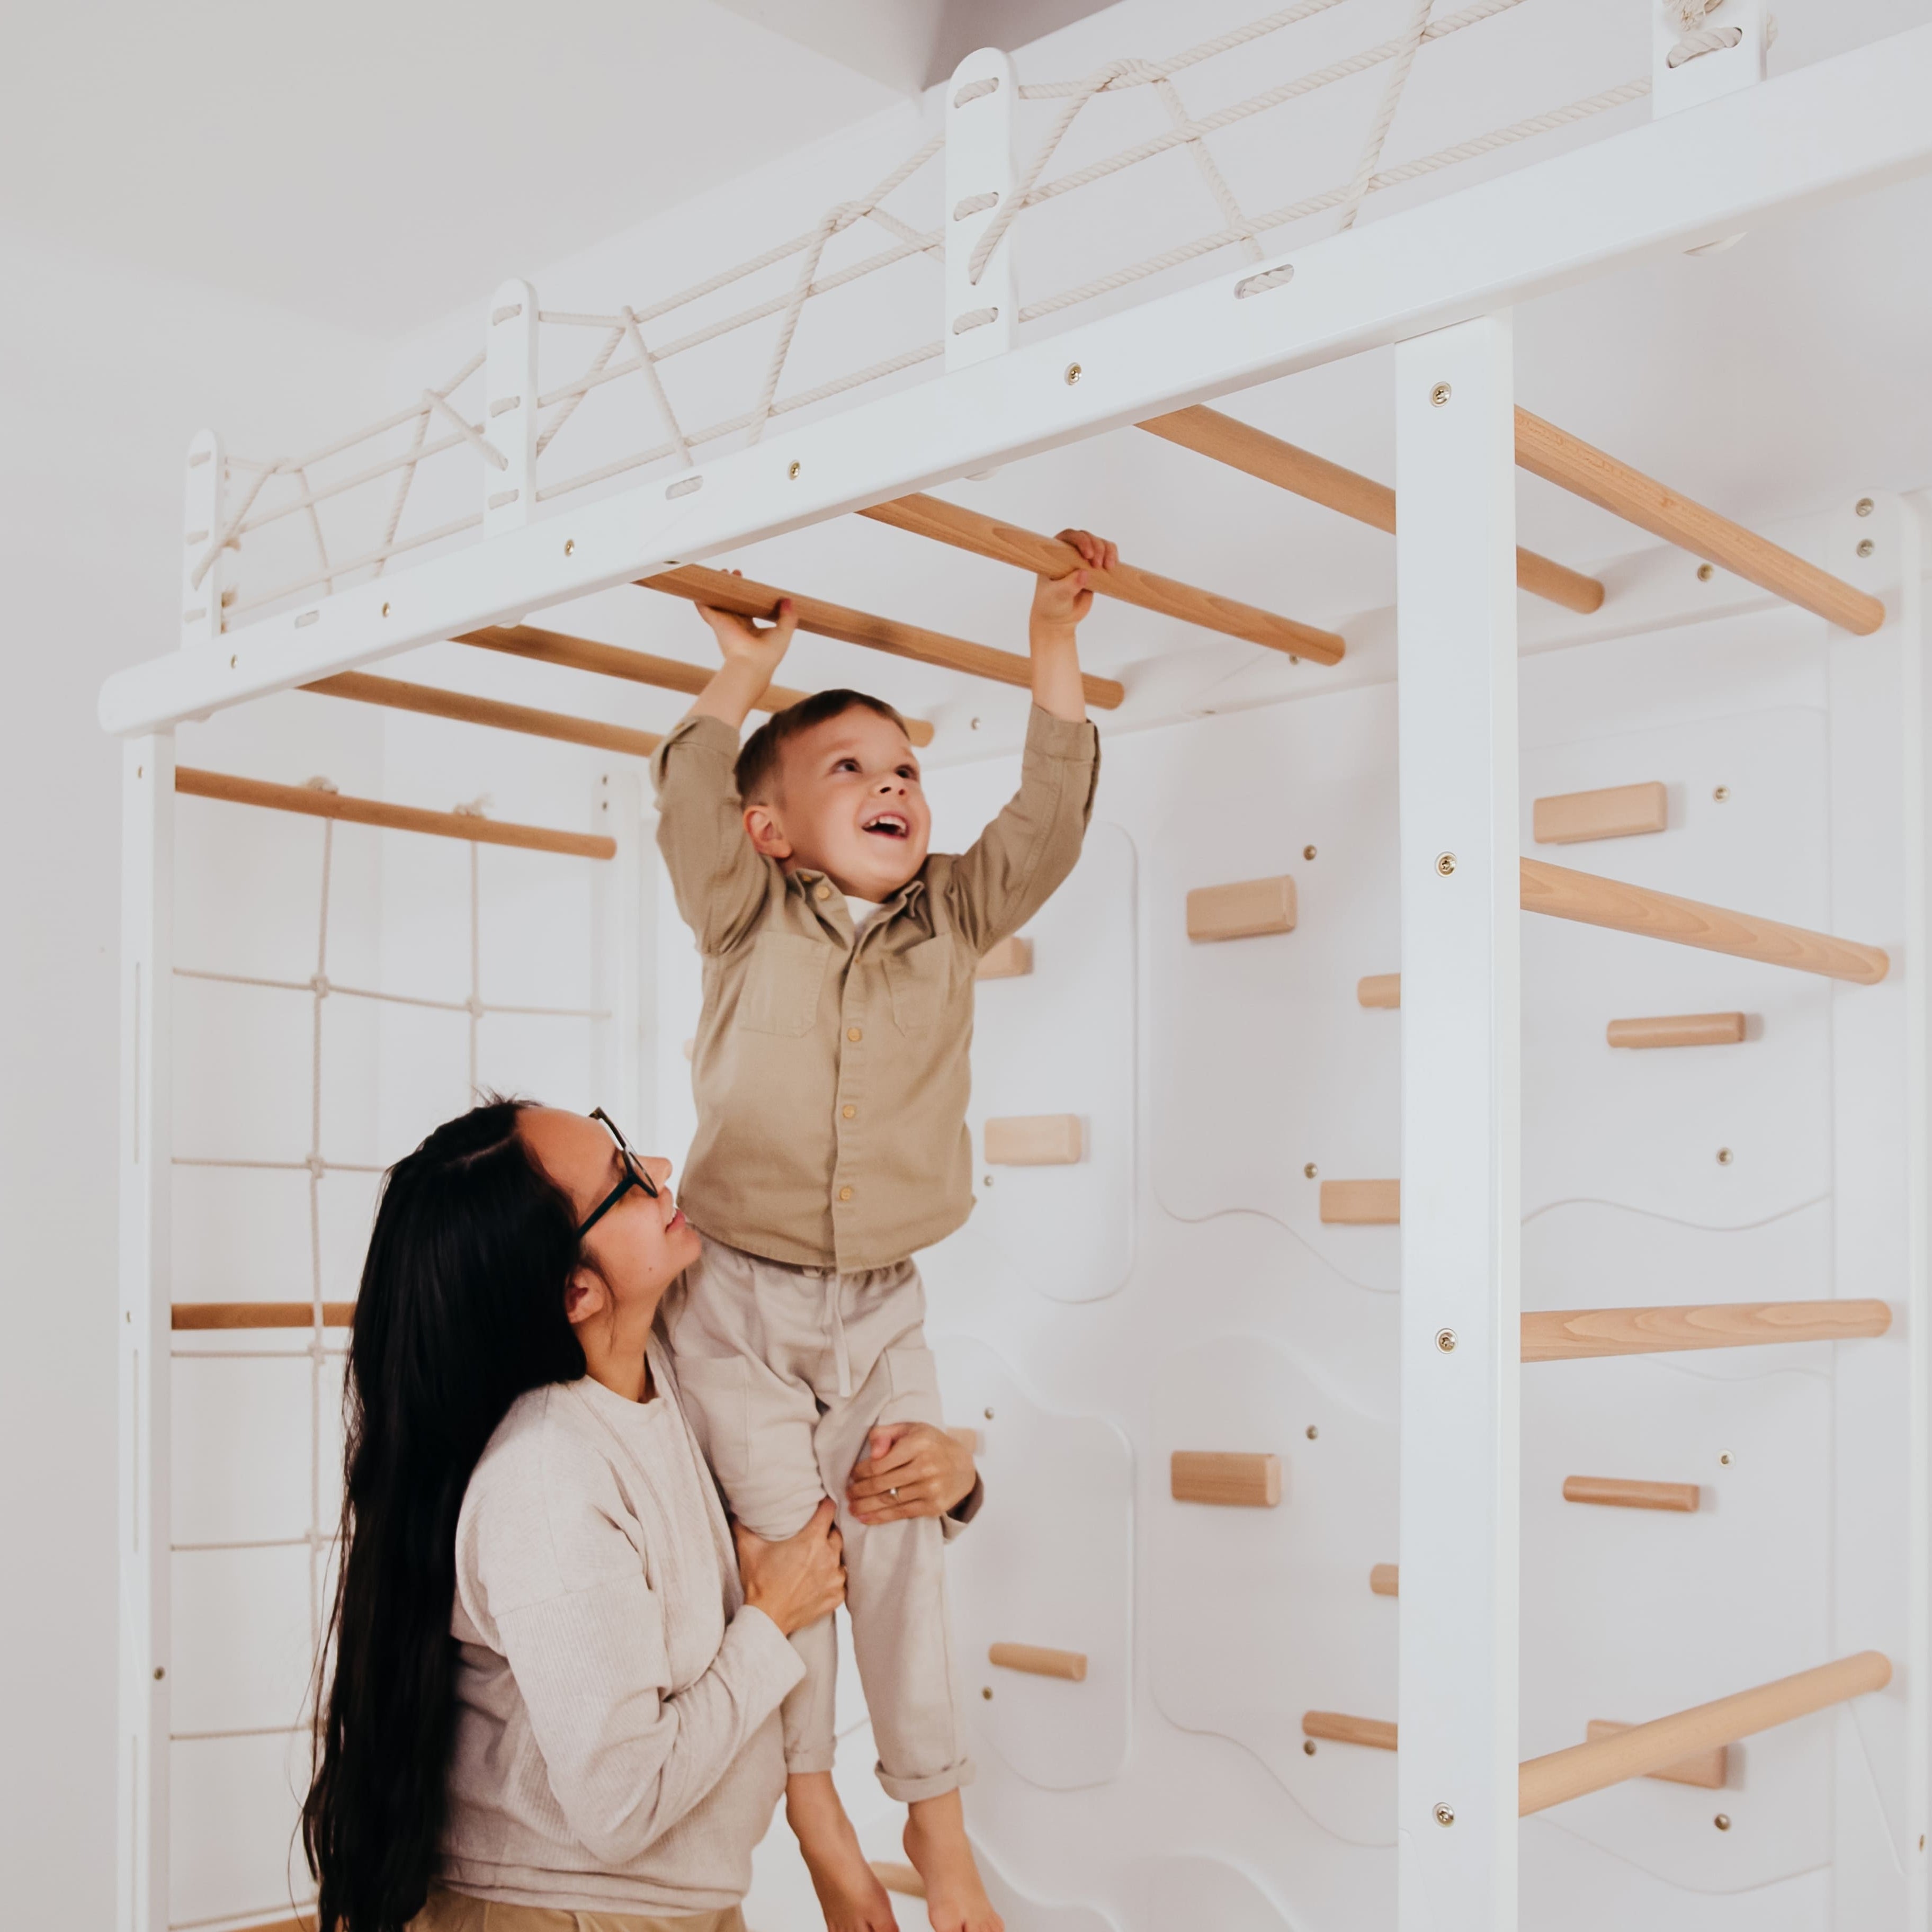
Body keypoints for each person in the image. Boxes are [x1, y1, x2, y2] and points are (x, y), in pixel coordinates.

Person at [651, 531, 1112, 1932]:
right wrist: (741, 678)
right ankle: (812, 1807)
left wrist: (1051, 636)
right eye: (846, 767)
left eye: (906, 765)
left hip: (884, 1306)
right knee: (788, 1551)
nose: (891, 782)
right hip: (733, 1299)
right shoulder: (742, 916)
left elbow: (1049, 812)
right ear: (774, 828)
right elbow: (687, 805)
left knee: (904, 1522)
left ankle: (935, 1815)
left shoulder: (954, 916)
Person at [300, 1099, 979, 1932]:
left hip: (664, 1907)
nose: (658, 1169)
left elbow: (827, 1460)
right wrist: (770, 1622)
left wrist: (950, 1473)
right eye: (622, 1180)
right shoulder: (547, 1481)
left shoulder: (669, 1365)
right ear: (577, 1290)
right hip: (559, 1914)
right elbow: (622, 1804)